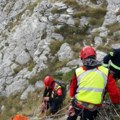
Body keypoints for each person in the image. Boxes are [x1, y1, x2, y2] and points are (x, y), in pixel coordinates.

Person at [67, 46, 120, 120]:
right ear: (95, 57)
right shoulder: (106, 72)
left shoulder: (78, 71)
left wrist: (72, 102)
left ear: (82, 59)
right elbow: (114, 94)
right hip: (92, 110)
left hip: (77, 106)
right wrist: (116, 103)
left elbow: (72, 91)